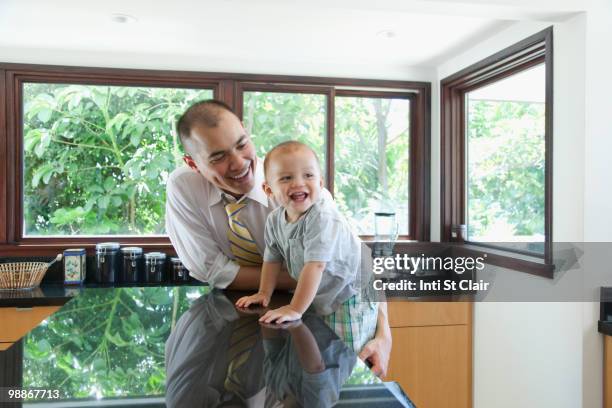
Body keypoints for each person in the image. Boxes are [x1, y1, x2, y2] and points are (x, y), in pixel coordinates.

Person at [165, 99, 391, 376]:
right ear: (193, 164)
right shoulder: (184, 187)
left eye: (241, 144)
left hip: (337, 303)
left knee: (329, 374)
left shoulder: (301, 189)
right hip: (264, 319)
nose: (238, 163)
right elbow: (210, 269)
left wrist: (384, 333)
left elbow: (358, 259)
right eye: (218, 157)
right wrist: (269, 289)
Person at [235, 141, 378, 352]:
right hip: (322, 293)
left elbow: (316, 266)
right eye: (286, 178)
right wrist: (264, 292)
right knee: (322, 350)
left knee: (346, 352)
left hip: (349, 293)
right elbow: (272, 257)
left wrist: (294, 308)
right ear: (268, 189)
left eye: (308, 176)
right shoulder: (275, 220)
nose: (298, 183)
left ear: (320, 183)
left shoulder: (322, 216)